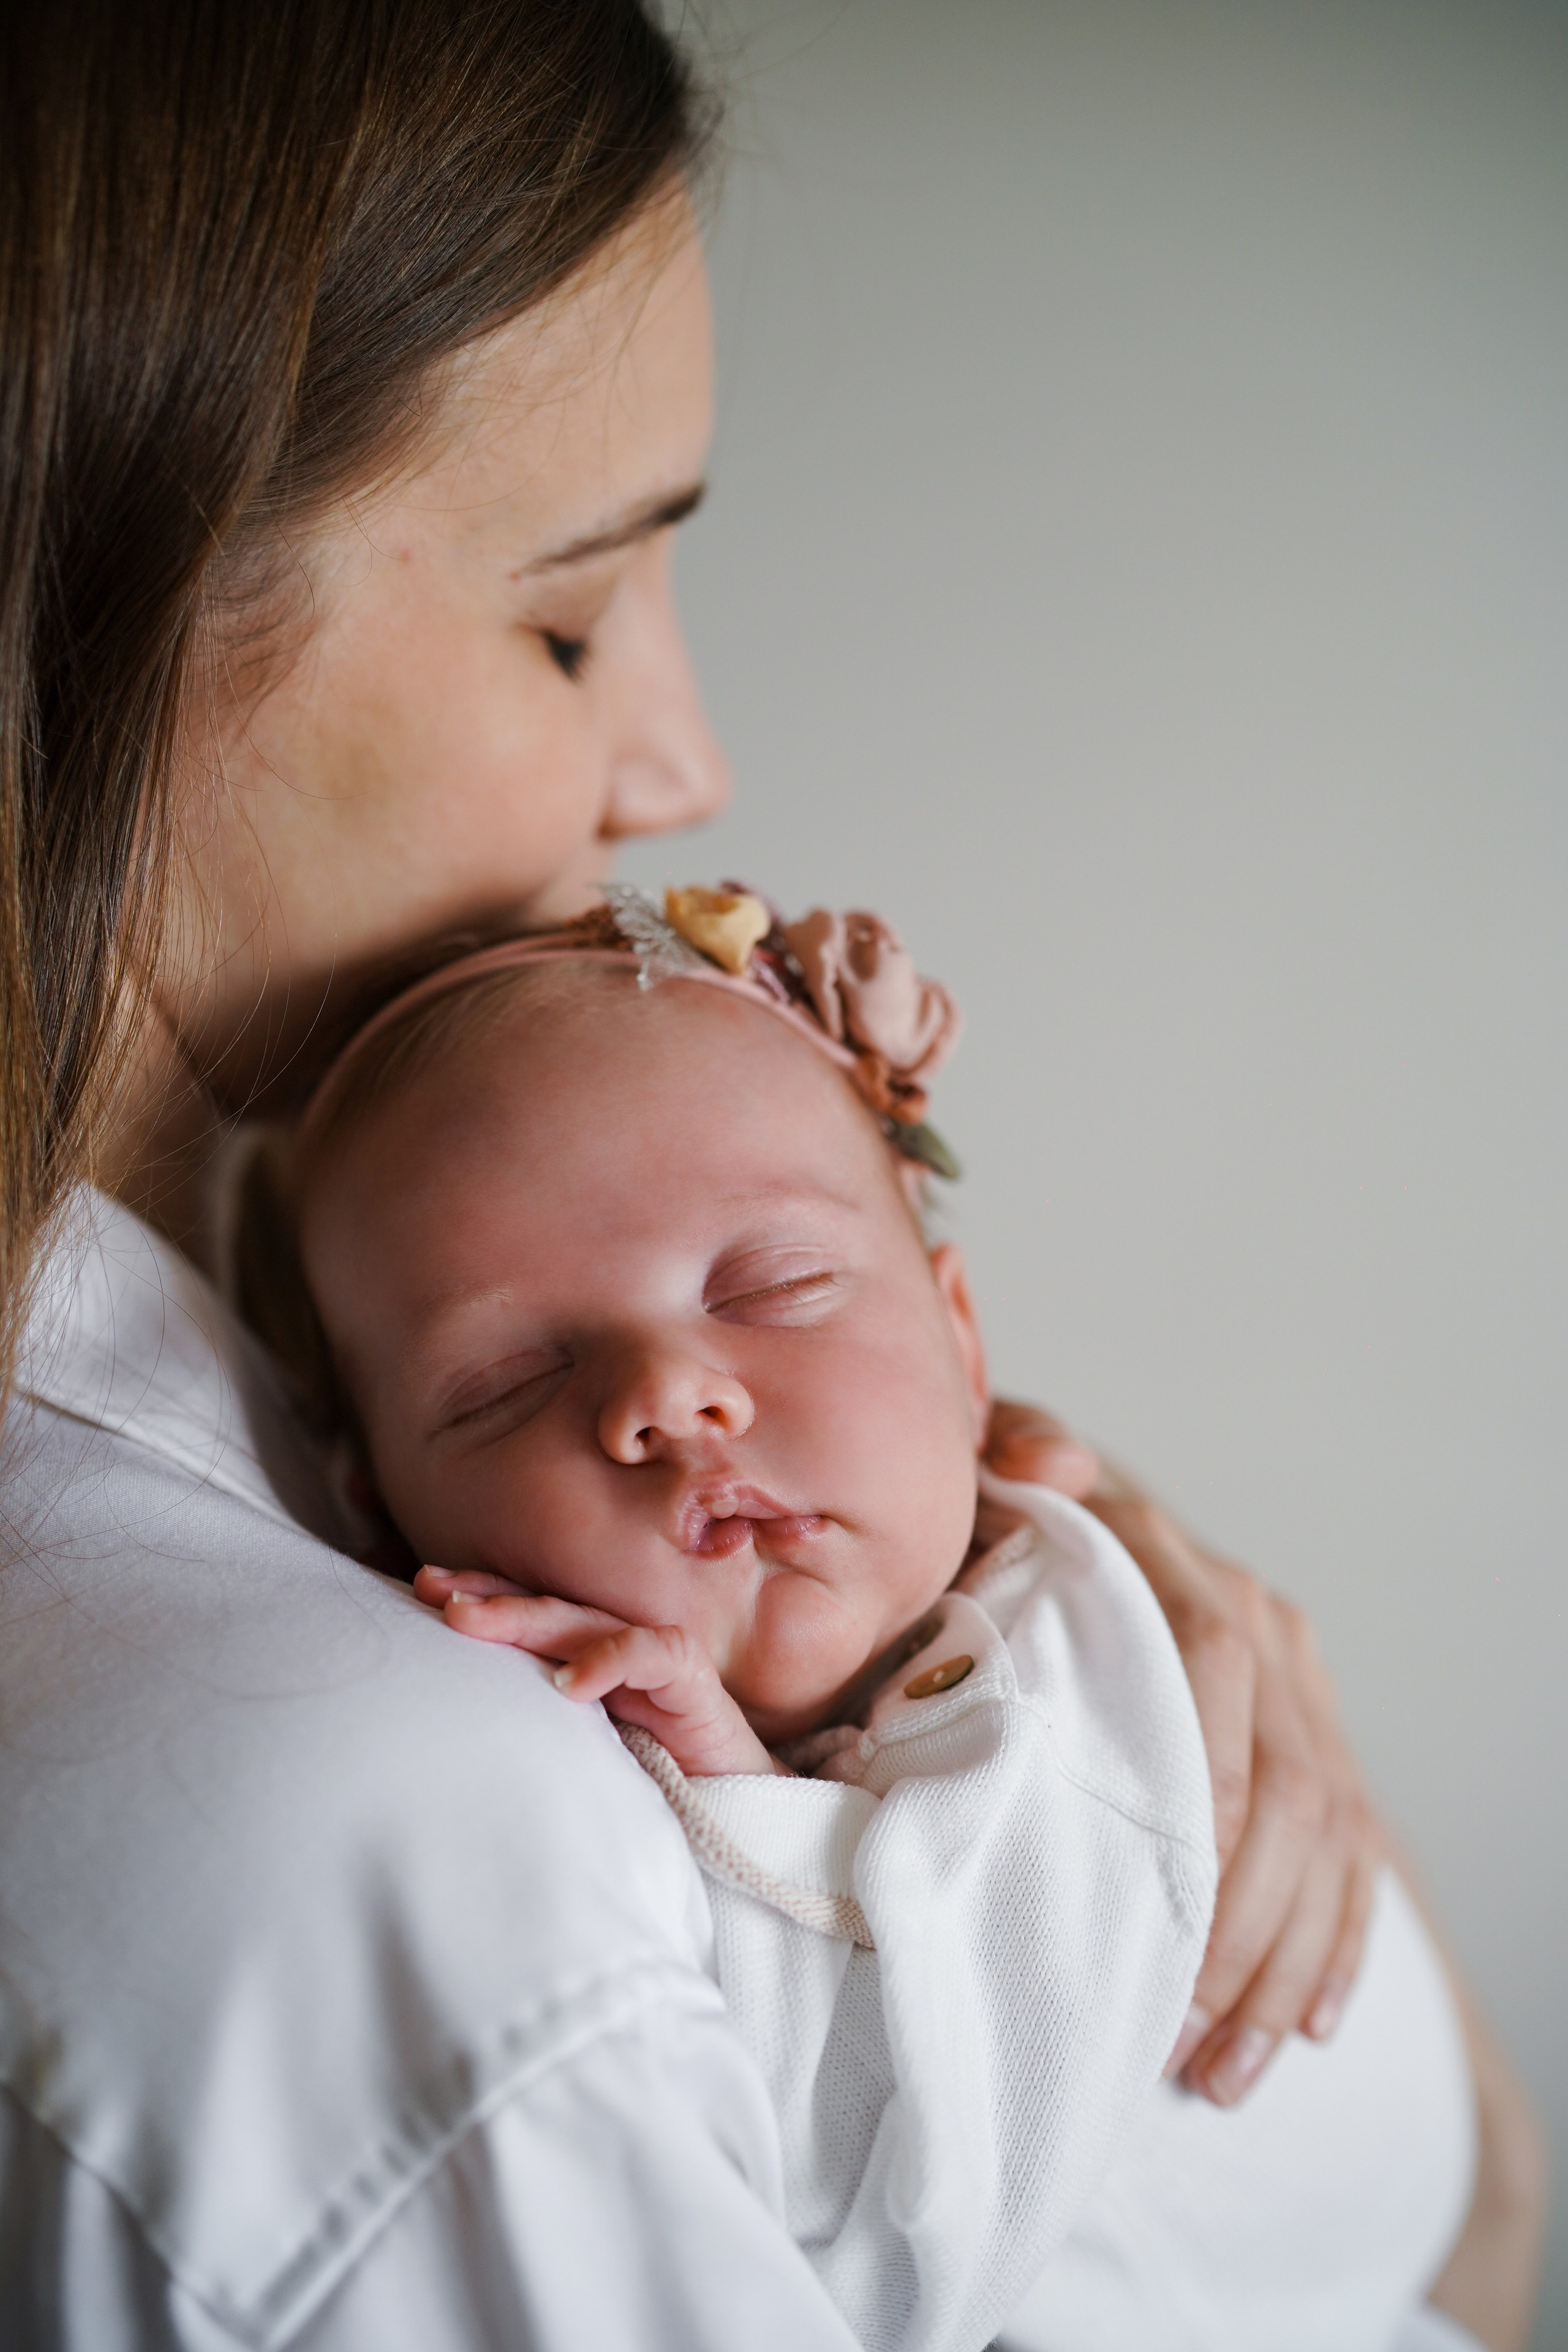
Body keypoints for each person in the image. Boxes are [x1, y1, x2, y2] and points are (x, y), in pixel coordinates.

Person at [0, 5, 1539, 2348]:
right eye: (569, 612)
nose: (685, 757)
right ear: (105, 581)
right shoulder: (381, 1844)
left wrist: (1040, 1635)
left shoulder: (252, 1400)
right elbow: (1479, 2239)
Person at [270, 884, 1472, 2352]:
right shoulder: (543, 1807)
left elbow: (890, 2233)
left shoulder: (1065, 1681)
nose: (668, 1396)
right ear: (382, 1517)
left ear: (966, 1350)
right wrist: (725, 1777)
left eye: (771, 1284)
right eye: (506, 1382)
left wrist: (732, 1793)